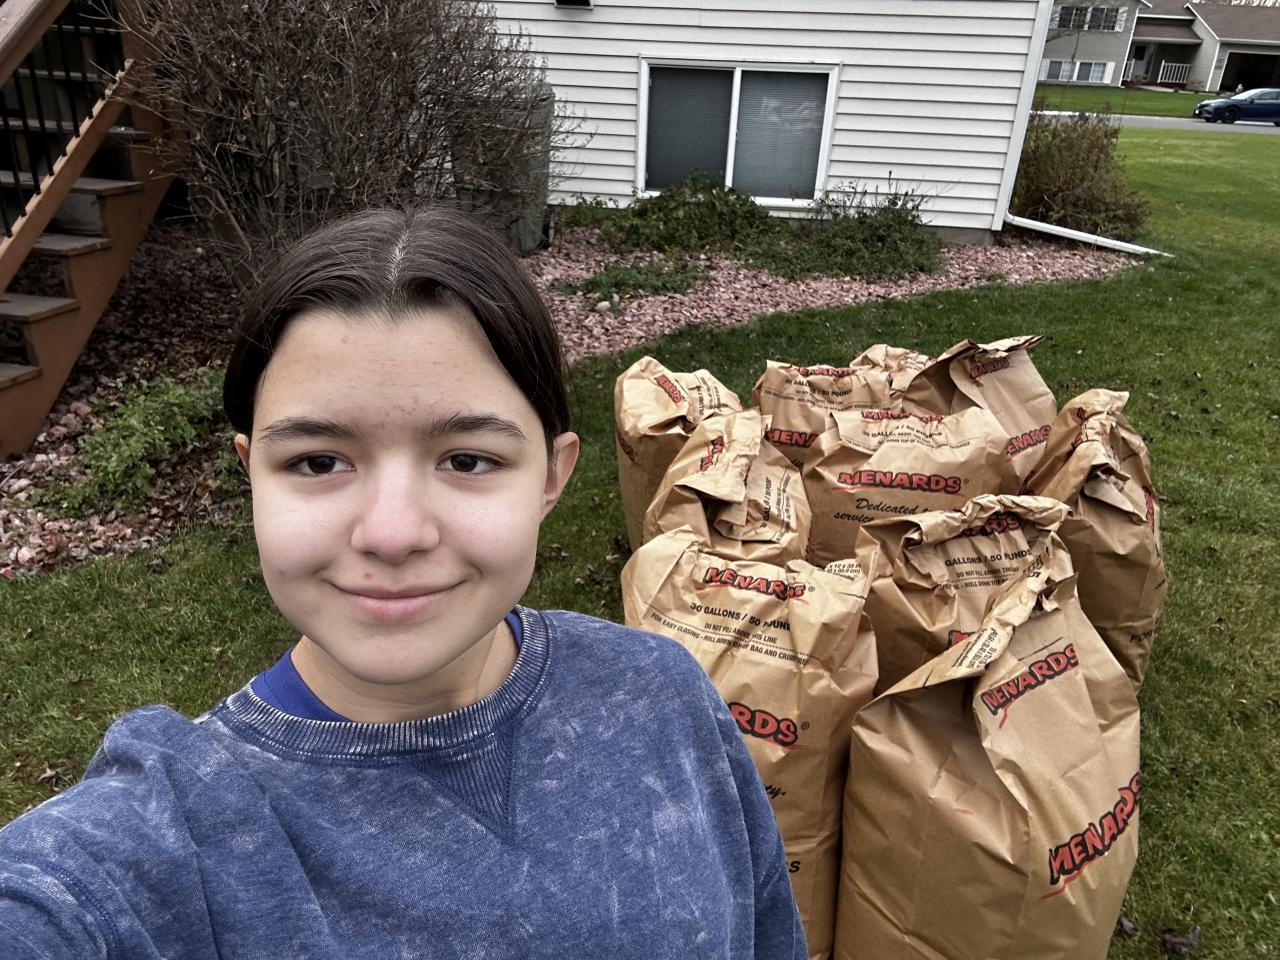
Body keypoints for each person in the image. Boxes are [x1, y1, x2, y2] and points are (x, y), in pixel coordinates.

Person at [0, 207, 806, 958]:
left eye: (468, 460)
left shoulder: (661, 694)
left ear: (551, 477)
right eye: (318, 461)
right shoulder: (168, 830)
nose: (391, 534)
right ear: (253, 475)